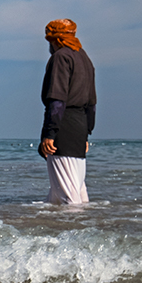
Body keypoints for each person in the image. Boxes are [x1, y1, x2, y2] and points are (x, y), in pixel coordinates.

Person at [39, 19, 96, 204]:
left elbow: (57, 100)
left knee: (68, 198)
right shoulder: (84, 58)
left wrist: (50, 133)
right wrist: (86, 133)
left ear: (54, 39)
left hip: (64, 127)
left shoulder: (60, 57)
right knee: (73, 191)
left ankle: (76, 223)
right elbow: (92, 103)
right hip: (80, 128)